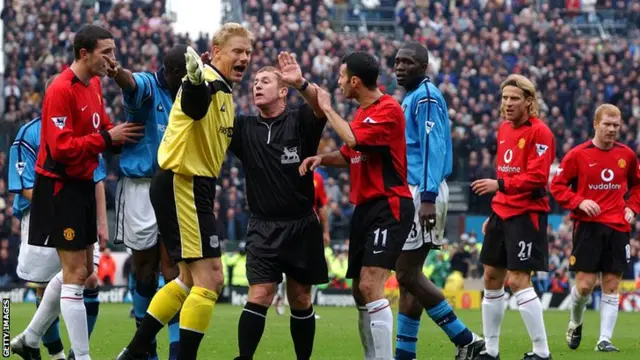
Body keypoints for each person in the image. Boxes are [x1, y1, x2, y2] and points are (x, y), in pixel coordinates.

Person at [116, 22, 253, 360]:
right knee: (211, 279)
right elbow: (194, 103)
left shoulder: (222, 89)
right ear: (217, 52)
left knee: (187, 281)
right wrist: (193, 80)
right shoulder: (203, 82)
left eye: (248, 52)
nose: (244, 58)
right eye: (237, 51)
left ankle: (134, 351)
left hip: (190, 185)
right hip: (184, 181)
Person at [13, 24, 143, 360]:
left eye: (113, 51)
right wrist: (105, 140)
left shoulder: (96, 84)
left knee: (83, 274)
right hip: (59, 187)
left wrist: (114, 137)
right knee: (73, 276)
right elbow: (59, 148)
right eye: (106, 52)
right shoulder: (60, 88)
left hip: (82, 184)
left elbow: (98, 128)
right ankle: (81, 357)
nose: (111, 59)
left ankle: (28, 338)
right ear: (84, 53)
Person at [299, 52, 414, 360]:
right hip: (365, 208)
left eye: (341, 76)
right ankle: (371, 356)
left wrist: (327, 108)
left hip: (389, 205)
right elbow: (351, 153)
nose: (338, 82)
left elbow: (351, 138)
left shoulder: (388, 109)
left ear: (354, 81)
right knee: (358, 290)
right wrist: (323, 158)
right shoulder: (364, 114)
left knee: (370, 283)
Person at [224, 52, 328, 360]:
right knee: (260, 294)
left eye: (265, 81)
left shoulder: (298, 120)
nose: (257, 86)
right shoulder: (243, 127)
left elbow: (322, 106)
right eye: (255, 82)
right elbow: (213, 112)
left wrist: (301, 83)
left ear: (283, 91)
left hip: (301, 224)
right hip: (262, 226)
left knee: (299, 297)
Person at [393, 42, 485, 360]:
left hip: (424, 191)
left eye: (407, 62)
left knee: (406, 273)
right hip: (416, 189)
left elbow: (433, 147)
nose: (400, 67)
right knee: (409, 279)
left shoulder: (427, 98)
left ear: (424, 66)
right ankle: (405, 354)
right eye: (396, 62)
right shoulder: (411, 98)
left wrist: (428, 197)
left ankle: (466, 338)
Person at [9, 77, 108, 360]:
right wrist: (65, 203)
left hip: (78, 211)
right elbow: (25, 186)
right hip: (40, 214)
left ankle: (77, 353)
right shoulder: (28, 134)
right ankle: (53, 353)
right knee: (43, 285)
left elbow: (97, 179)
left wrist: (102, 223)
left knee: (88, 278)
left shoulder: (84, 130)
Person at [105, 44, 188, 360]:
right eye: (185, 75)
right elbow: (130, 82)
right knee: (144, 269)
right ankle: (146, 350)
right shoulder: (148, 85)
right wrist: (117, 73)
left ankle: (176, 353)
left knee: (173, 271)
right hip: (139, 187)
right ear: (174, 72)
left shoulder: (186, 92)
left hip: (172, 185)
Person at [471, 74, 555, 360]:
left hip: (526, 214)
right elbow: (506, 172)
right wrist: (494, 211)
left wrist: (500, 186)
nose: (507, 103)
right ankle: (491, 351)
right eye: (505, 98)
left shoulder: (540, 132)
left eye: (514, 98)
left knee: (519, 280)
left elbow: (538, 177)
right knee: (491, 277)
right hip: (501, 211)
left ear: (529, 102)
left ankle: (542, 352)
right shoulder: (503, 129)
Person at [550, 104, 640, 353]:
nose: (612, 129)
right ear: (595, 124)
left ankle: (604, 340)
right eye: (607, 124)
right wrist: (579, 201)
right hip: (588, 227)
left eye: (616, 125)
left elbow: (637, 186)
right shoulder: (578, 154)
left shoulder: (628, 155)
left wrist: (632, 207)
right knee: (585, 286)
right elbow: (557, 186)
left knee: (612, 284)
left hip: (617, 227)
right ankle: (575, 322)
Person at [274, 170, 329, 319]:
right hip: (287, 226)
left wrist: (325, 231)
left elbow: (322, 205)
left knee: (314, 269)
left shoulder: (317, 178)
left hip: (310, 228)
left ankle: (307, 306)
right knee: (286, 266)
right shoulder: (286, 173)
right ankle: (279, 295)